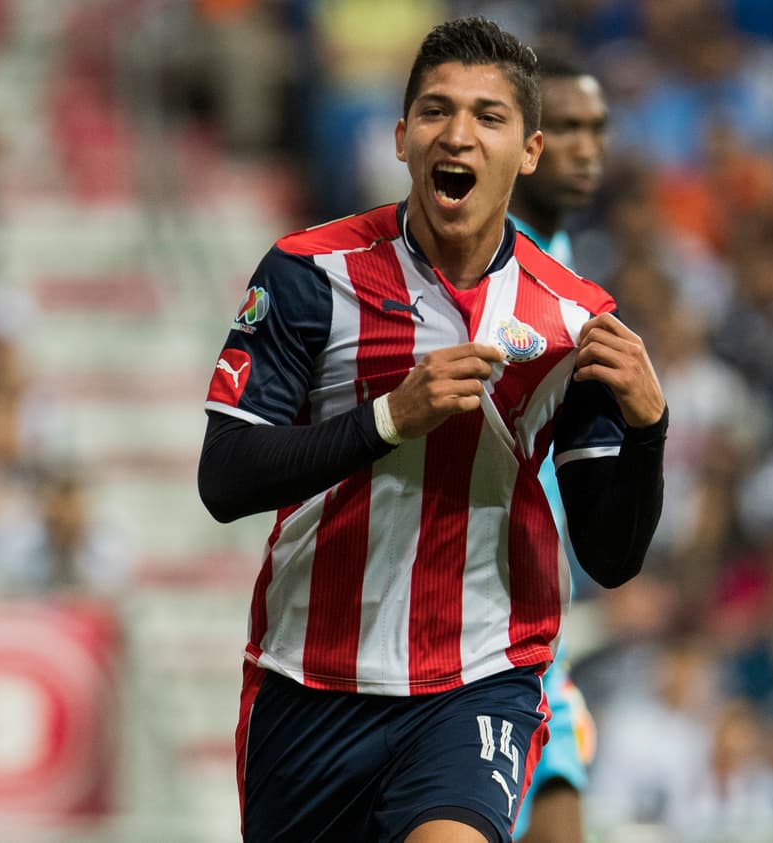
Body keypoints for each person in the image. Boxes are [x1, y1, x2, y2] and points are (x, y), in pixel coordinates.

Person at [198, 18, 668, 843]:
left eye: (489, 116)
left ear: (528, 151)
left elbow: (610, 555)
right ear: (400, 137)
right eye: (435, 111)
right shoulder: (310, 275)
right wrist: (389, 418)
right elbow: (226, 478)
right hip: (310, 680)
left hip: (478, 676)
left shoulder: (575, 318)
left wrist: (650, 429)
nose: (458, 134)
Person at [505, 49, 609, 843]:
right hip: (475, 626)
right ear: (526, 144)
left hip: (546, 626)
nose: (587, 149)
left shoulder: (567, 266)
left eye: (596, 129)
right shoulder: (485, 271)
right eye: (567, 128)